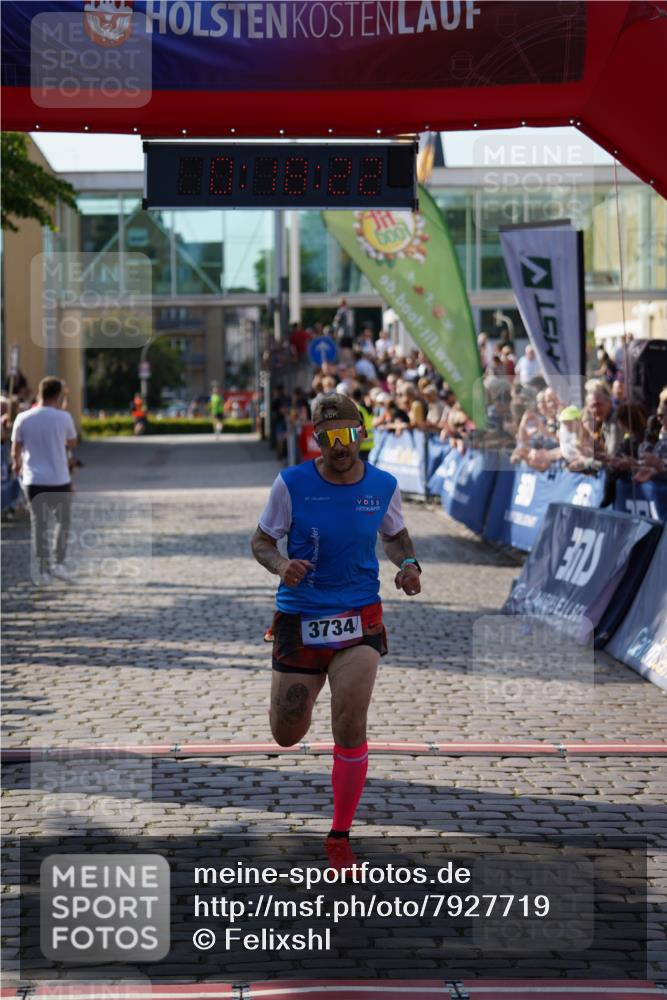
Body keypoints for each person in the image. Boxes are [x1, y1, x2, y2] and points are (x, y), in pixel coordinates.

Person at [251, 392, 422, 870]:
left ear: (361, 433)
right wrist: (281, 564)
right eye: (327, 437)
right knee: (287, 733)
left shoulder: (383, 485)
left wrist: (408, 564)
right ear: (316, 439)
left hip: (359, 615)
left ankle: (340, 835)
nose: (339, 445)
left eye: (347, 434)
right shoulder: (291, 484)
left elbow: (395, 535)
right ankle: (283, 700)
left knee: (349, 722)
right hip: (301, 617)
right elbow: (261, 541)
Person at [10, 377, 78, 584]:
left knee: (39, 524)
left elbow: (15, 449)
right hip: (59, 478)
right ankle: (58, 563)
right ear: (57, 395)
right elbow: (72, 442)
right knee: (62, 522)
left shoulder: (23, 417)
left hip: (34, 479)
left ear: (40, 393)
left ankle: (43, 570)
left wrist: (17, 464)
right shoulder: (63, 417)